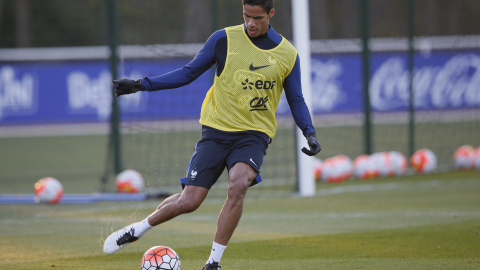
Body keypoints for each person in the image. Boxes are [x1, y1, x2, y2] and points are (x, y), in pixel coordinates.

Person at [103, 0, 321, 269]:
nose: (250, 23)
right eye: (246, 16)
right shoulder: (224, 39)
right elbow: (187, 73)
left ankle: (213, 263)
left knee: (238, 184)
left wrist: (309, 132)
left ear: (270, 14)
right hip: (216, 130)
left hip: (254, 134)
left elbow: (296, 99)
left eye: (257, 17)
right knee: (190, 201)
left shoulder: (287, 54)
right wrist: (140, 85)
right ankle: (138, 229)